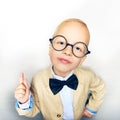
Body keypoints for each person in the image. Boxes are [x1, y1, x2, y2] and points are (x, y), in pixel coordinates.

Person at [14, 18, 106, 120]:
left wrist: (91, 108)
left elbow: (100, 87)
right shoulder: (38, 80)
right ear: (50, 48)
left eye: (78, 48)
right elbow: (33, 110)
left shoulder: (88, 75)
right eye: (61, 43)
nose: (68, 51)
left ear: (82, 59)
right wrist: (24, 100)